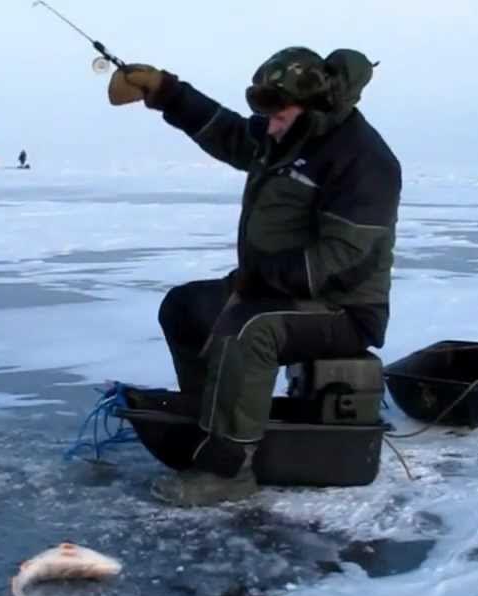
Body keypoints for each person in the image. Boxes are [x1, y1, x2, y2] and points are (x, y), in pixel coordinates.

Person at [107, 47, 402, 506]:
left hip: (343, 308)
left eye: (278, 115)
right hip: (275, 286)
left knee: (249, 327)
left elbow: (342, 256)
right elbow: (227, 132)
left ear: (313, 106)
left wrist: (260, 281)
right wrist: (167, 92)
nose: (269, 126)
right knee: (185, 308)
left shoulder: (364, 159)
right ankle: (215, 423)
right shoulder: (286, 133)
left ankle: (229, 470)